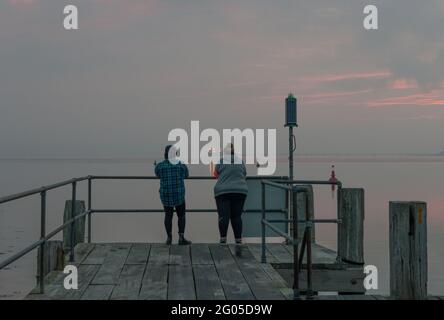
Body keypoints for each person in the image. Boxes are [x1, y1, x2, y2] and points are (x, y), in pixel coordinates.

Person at [155, 145, 191, 245]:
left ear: (165, 154)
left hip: (165, 195)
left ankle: (169, 238)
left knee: (168, 215)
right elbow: (186, 175)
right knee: (181, 216)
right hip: (178, 195)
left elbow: (157, 174)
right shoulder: (180, 164)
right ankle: (181, 237)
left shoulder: (160, 166)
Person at [213, 143, 248, 247]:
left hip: (222, 191)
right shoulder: (240, 161)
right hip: (240, 191)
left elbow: (215, 174)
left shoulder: (221, 161)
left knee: (223, 216)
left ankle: (223, 239)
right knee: (236, 216)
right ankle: (238, 240)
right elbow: (244, 174)